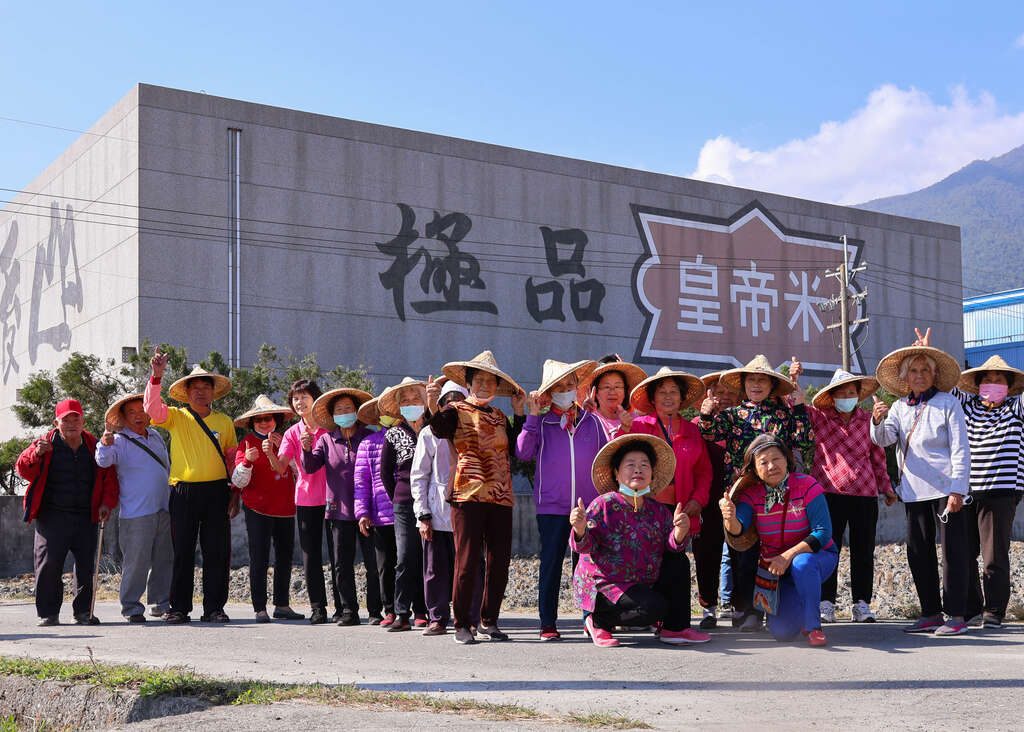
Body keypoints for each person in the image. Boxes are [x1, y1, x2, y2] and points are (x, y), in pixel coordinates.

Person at [698, 355, 813, 632]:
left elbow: (805, 440)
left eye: (762, 380)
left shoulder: (784, 415)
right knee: (743, 552)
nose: (757, 385)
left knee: (775, 549)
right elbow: (709, 433)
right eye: (752, 380)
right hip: (742, 494)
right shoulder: (732, 415)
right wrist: (706, 413)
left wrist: (799, 407)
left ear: (772, 385)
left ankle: (775, 609)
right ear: (744, 385)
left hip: (776, 494)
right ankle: (746, 610)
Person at [871, 332, 971, 635]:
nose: (919, 375)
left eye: (925, 370)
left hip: (946, 491)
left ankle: (957, 616)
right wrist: (877, 420)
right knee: (918, 552)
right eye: (913, 370)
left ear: (935, 374)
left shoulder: (948, 403)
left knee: (953, 552)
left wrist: (958, 489)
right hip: (914, 491)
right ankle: (930, 613)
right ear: (905, 377)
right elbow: (884, 439)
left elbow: (960, 448)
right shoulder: (899, 407)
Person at [427, 350, 527, 644]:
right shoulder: (455, 410)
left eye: (490, 381)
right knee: (467, 561)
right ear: (468, 384)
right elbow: (438, 428)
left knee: (499, 562)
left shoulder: (500, 416)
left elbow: (516, 449)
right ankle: (461, 623)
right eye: (479, 380)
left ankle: (489, 620)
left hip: (501, 496)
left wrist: (520, 412)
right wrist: (431, 404)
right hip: (467, 494)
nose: (484, 385)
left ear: (497, 387)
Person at [790, 362, 896, 624]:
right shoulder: (821, 417)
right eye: (841, 393)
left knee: (863, 550)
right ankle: (826, 602)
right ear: (832, 396)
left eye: (851, 393)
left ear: (858, 395)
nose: (846, 397)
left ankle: (862, 603)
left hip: (865, 493)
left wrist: (886, 487)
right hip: (828, 493)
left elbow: (878, 457)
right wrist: (794, 379)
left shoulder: (868, 419)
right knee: (827, 548)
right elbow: (797, 407)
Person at [570, 434, 698, 647]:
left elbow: (671, 546)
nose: (638, 469)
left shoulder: (658, 510)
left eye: (644, 465)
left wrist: (680, 531)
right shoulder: (603, 504)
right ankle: (597, 620)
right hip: (606, 584)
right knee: (653, 608)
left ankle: (675, 628)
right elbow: (585, 546)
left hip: (641, 583)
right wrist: (580, 528)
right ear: (616, 473)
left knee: (679, 562)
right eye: (630, 464)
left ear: (652, 473)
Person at [516, 358, 605, 641]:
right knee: (551, 563)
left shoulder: (593, 421)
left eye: (570, 384)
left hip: (587, 508)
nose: (565, 390)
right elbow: (523, 453)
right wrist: (532, 415)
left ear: (578, 387)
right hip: (552, 506)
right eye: (559, 386)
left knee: (588, 565)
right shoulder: (543, 423)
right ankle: (547, 623)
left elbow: (606, 459)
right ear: (549, 391)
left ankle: (590, 618)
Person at [144, 356, 238, 624]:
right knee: (182, 552)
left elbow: (233, 460)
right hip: (183, 492)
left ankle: (214, 608)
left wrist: (236, 494)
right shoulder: (176, 417)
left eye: (206, 387)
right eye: (195, 387)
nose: (200, 392)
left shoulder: (224, 422)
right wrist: (156, 375)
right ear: (186, 393)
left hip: (217, 492)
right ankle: (179, 608)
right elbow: (152, 409)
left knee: (217, 552)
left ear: (213, 392)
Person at [720, 434, 837, 647]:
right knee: (782, 633)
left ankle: (814, 627)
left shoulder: (807, 485)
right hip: (778, 569)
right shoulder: (751, 495)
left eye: (776, 459)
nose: (771, 466)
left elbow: (823, 532)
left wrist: (787, 556)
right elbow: (738, 530)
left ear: (787, 459)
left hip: (816, 557)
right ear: (755, 469)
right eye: (763, 462)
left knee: (802, 564)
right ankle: (802, 608)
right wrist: (729, 517)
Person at [628, 367, 712, 641]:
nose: (667, 397)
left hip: (679, 510)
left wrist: (698, 500)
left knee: (675, 562)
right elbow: (623, 464)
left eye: (673, 392)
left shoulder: (692, 430)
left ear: (682, 397)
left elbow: (704, 472)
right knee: (653, 564)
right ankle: (662, 621)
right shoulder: (639, 427)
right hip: (646, 510)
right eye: (662, 392)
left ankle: (673, 624)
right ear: (652, 398)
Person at [18, 399, 118, 626]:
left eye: (76, 419)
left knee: (86, 566)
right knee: (48, 565)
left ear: (83, 421)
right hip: (52, 516)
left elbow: (109, 478)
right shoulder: (45, 443)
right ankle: (48, 613)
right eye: (66, 420)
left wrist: (106, 504)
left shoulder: (94, 445)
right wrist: (36, 454)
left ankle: (83, 612)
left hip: (86, 516)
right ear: (57, 423)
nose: (72, 424)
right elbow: (23, 469)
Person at [953, 353, 1024, 628]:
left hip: (1001, 491)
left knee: (994, 554)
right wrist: (928, 352)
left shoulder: (1015, 408)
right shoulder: (967, 406)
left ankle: (994, 610)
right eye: (988, 379)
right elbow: (944, 386)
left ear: (1008, 386)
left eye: (999, 380)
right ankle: (972, 607)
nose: (993, 384)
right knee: (965, 553)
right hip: (967, 490)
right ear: (979, 384)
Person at [302, 386, 381, 626]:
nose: (344, 412)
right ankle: (348, 610)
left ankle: (376, 611)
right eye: (339, 409)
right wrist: (306, 449)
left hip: (369, 510)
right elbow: (310, 467)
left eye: (348, 408)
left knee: (373, 563)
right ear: (333, 415)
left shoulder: (369, 436)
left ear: (357, 411)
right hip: (338, 510)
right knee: (341, 564)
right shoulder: (326, 440)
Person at [96, 393, 172, 623]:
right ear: (123, 418)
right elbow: (103, 460)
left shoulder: (156, 436)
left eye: (142, 411)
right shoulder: (118, 441)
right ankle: (131, 607)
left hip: (164, 507)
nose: (139, 416)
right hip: (136, 512)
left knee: (164, 559)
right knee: (136, 562)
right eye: (132, 412)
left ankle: (160, 603)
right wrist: (104, 444)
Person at [230, 395, 303, 623]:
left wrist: (283, 450)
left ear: (276, 420)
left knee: (285, 557)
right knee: (259, 557)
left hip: (285, 507)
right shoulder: (247, 442)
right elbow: (238, 480)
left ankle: (282, 605)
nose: (263, 422)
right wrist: (246, 461)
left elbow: (299, 470)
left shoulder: (287, 439)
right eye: (259, 419)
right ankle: (259, 608)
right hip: (257, 508)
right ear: (252, 422)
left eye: (268, 418)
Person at [410, 378, 470, 636]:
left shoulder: (473, 430)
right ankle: (437, 617)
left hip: (468, 510)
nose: (453, 405)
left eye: (459, 400)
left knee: (467, 568)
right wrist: (422, 514)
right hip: (436, 512)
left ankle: (469, 617)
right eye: (448, 401)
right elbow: (419, 475)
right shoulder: (429, 433)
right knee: (435, 569)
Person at [277, 379, 333, 625]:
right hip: (306, 498)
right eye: (295, 398)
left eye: (304, 397)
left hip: (334, 498)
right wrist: (270, 454)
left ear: (315, 399)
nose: (299, 402)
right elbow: (281, 465)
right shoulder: (292, 433)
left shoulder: (330, 427)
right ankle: (318, 607)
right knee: (310, 556)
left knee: (338, 554)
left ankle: (344, 607)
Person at [379, 377, 431, 632]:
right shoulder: (393, 433)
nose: (411, 404)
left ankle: (423, 610)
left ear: (426, 401)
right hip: (404, 502)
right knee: (405, 557)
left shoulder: (434, 428)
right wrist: (398, 497)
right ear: (400, 407)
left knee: (428, 556)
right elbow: (385, 473)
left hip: (432, 501)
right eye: (406, 401)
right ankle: (402, 613)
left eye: (416, 398)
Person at [691, 371, 740, 629]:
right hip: (706, 499)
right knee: (706, 553)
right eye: (719, 392)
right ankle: (708, 607)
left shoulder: (745, 422)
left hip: (740, 498)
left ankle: (741, 607)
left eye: (731, 392)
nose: (725, 397)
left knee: (741, 552)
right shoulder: (697, 424)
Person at [354, 397, 398, 626]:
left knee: (411, 562)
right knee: (385, 566)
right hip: (380, 515)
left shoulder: (412, 437)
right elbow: (361, 482)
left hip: (407, 511)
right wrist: (362, 512)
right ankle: (390, 610)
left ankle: (418, 610)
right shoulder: (368, 443)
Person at [578, 360, 648, 440]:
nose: (612, 392)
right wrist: (585, 416)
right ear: (595, 392)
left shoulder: (635, 420)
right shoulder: (590, 419)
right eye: (606, 387)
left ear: (625, 391)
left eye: (617, 387)